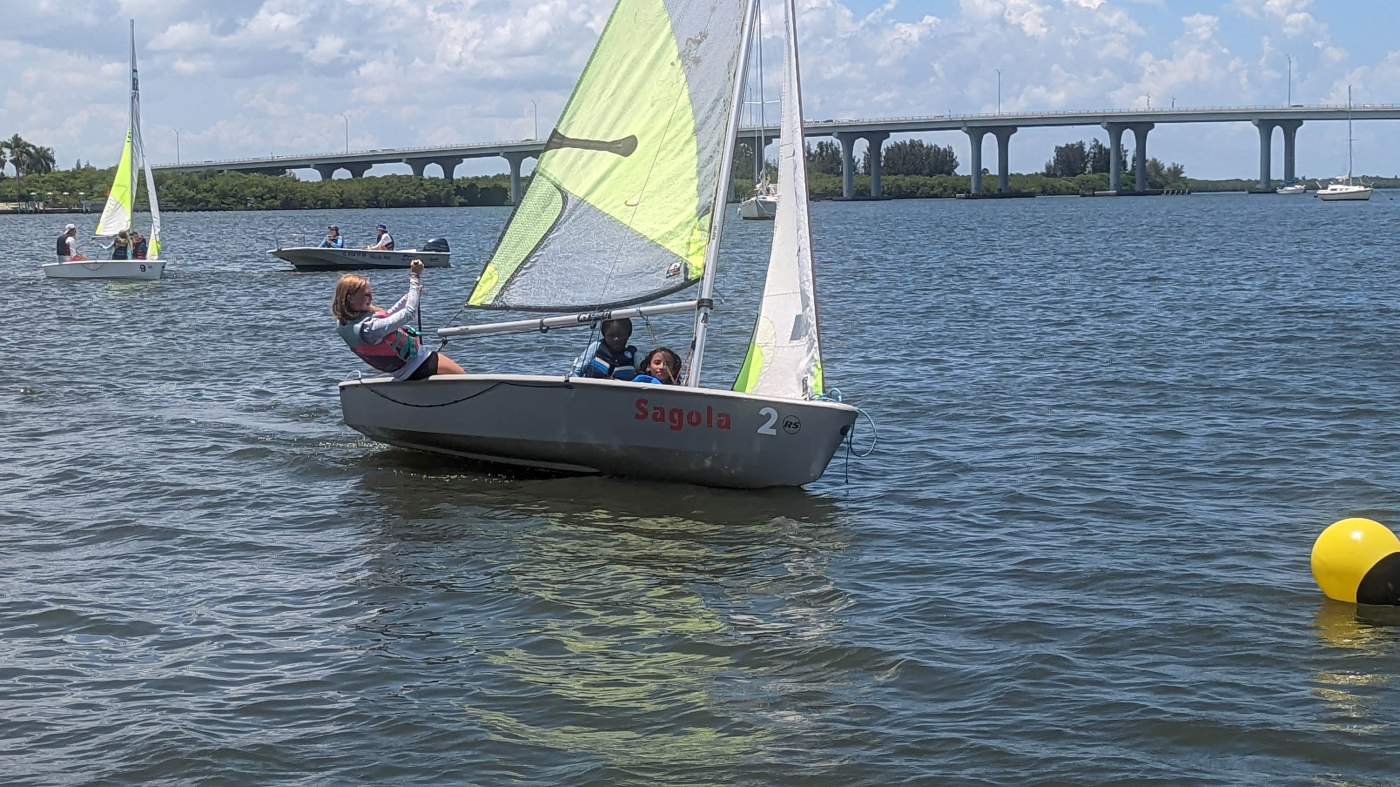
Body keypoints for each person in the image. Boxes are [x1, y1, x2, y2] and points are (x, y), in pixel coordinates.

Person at [332, 259, 465, 381]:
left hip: (402, 373)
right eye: (366, 295)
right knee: (464, 378)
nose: (371, 299)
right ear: (350, 298)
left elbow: (388, 316)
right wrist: (415, 277)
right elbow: (408, 313)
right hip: (421, 363)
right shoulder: (369, 329)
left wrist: (411, 295)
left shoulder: (346, 324)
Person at [572, 318, 637, 380]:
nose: (616, 339)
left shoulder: (634, 354)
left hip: (622, 389)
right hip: (593, 388)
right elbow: (577, 371)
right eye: (611, 335)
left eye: (620, 335)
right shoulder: (596, 347)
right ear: (604, 335)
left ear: (628, 334)